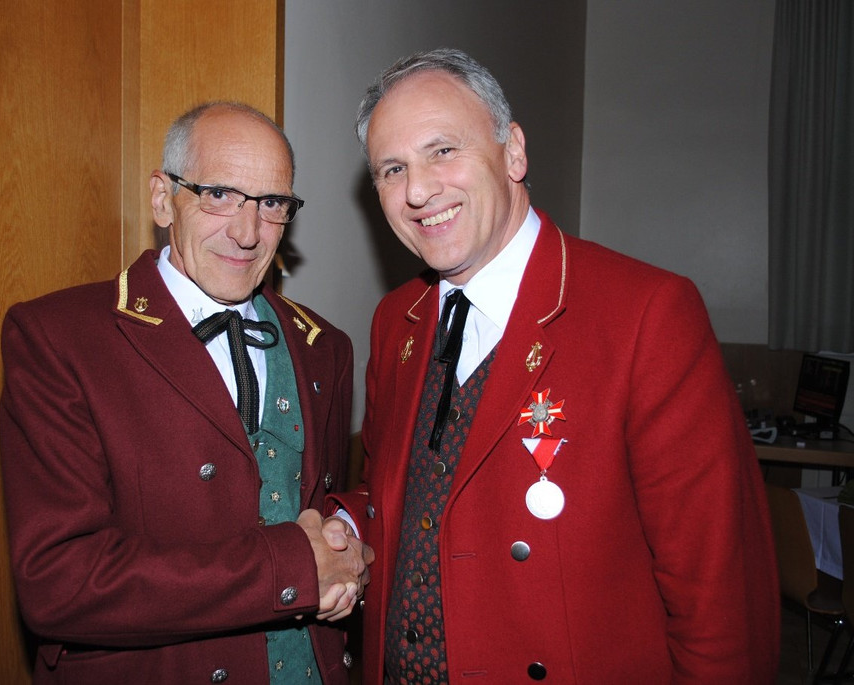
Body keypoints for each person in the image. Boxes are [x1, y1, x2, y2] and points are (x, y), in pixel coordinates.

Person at [330, 48, 779, 683]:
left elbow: (717, 589)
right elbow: (395, 496)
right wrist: (343, 525)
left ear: (513, 152)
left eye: (443, 151)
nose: (418, 191)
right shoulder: (395, 319)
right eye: (392, 169)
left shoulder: (647, 314)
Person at [0, 102, 371, 684]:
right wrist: (294, 565)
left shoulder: (326, 346)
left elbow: (320, 507)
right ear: (162, 198)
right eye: (219, 195)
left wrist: (346, 549)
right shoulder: (59, 338)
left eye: (272, 204)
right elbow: (59, 583)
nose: (247, 233)